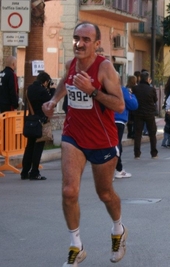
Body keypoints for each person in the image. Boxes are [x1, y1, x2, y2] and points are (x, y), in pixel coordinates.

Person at [42, 22, 128, 266]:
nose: (79, 44)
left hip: (102, 140)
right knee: (69, 191)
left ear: (97, 44)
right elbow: (64, 83)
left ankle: (118, 230)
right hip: (73, 136)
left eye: (86, 40)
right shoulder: (71, 64)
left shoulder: (105, 68)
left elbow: (119, 105)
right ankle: (76, 245)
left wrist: (92, 91)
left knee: (105, 193)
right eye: (76, 38)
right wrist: (53, 101)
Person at [21, 72, 53, 180]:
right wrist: (52, 90)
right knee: (38, 147)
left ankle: (24, 172)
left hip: (31, 120)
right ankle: (34, 172)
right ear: (46, 82)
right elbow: (51, 103)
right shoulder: (43, 91)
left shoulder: (29, 89)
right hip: (40, 122)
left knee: (29, 146)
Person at [131, 71, 158, 158]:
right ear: (147, 79)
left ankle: (137, 153)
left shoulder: (135, 88)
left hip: (138, 113)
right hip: (149, 113)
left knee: (138, 134)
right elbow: (155, 100)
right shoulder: (151, 89)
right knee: (152, 133)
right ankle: (154, 153)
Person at [114, 84, 138, 179]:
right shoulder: (121, 90)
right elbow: (133, 104)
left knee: (108, 144)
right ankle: (117, 170)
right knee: (116, 146)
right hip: (118, 119)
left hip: (104, 120)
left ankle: (114, 169)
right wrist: (132, 95)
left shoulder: (101, 88)